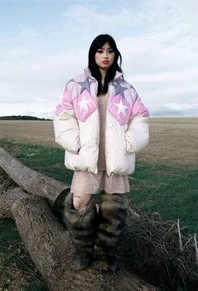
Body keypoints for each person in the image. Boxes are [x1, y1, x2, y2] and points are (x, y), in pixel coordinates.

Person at [53, 34, 149, 272]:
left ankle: (105, 257)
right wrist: (75, 142)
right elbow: (63, 116)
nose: (105, 56)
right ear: (93, 54)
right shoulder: (76, 85)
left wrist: (129, 142)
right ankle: (83, 251)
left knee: (113, 209)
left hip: (115, 158)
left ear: (115, 54)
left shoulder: (126, 88)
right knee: (79, 202)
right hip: (88, 157)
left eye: (109, 51)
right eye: (100, 51)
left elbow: (141, 117)